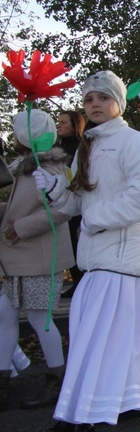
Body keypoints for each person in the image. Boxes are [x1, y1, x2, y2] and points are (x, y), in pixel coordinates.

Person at [33, 71, 140, 427]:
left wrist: (95, 218)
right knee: (116, 337)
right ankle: (127, 398)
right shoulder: (88, 145)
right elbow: (77, 201)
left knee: (96, 337)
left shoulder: (136, 142)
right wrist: (54, 189)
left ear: (118, 104)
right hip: (97, 257)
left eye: (103, 98)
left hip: (120, 258)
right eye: (89, 99)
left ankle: (85, 412)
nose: (95, 104)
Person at [0, 110, 74, 411]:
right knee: (5, 314)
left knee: (39, 319)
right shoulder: (29, 166)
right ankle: (3, 381)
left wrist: (20, 227)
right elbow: (25, 204)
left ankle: (57, 379)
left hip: (41, 256)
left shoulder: (49, 167)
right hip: (23, 258)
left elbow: (62, 208)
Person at [54, 111, 85, 299]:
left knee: (76, 241)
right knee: (68, 243)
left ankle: (80, 280)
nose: (59, 126)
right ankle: (75, 279)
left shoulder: (80, 147)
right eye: (58, 122)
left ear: (74, 125)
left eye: (63, 122)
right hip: (61, 202)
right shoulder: (57, 147)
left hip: (76, 202)